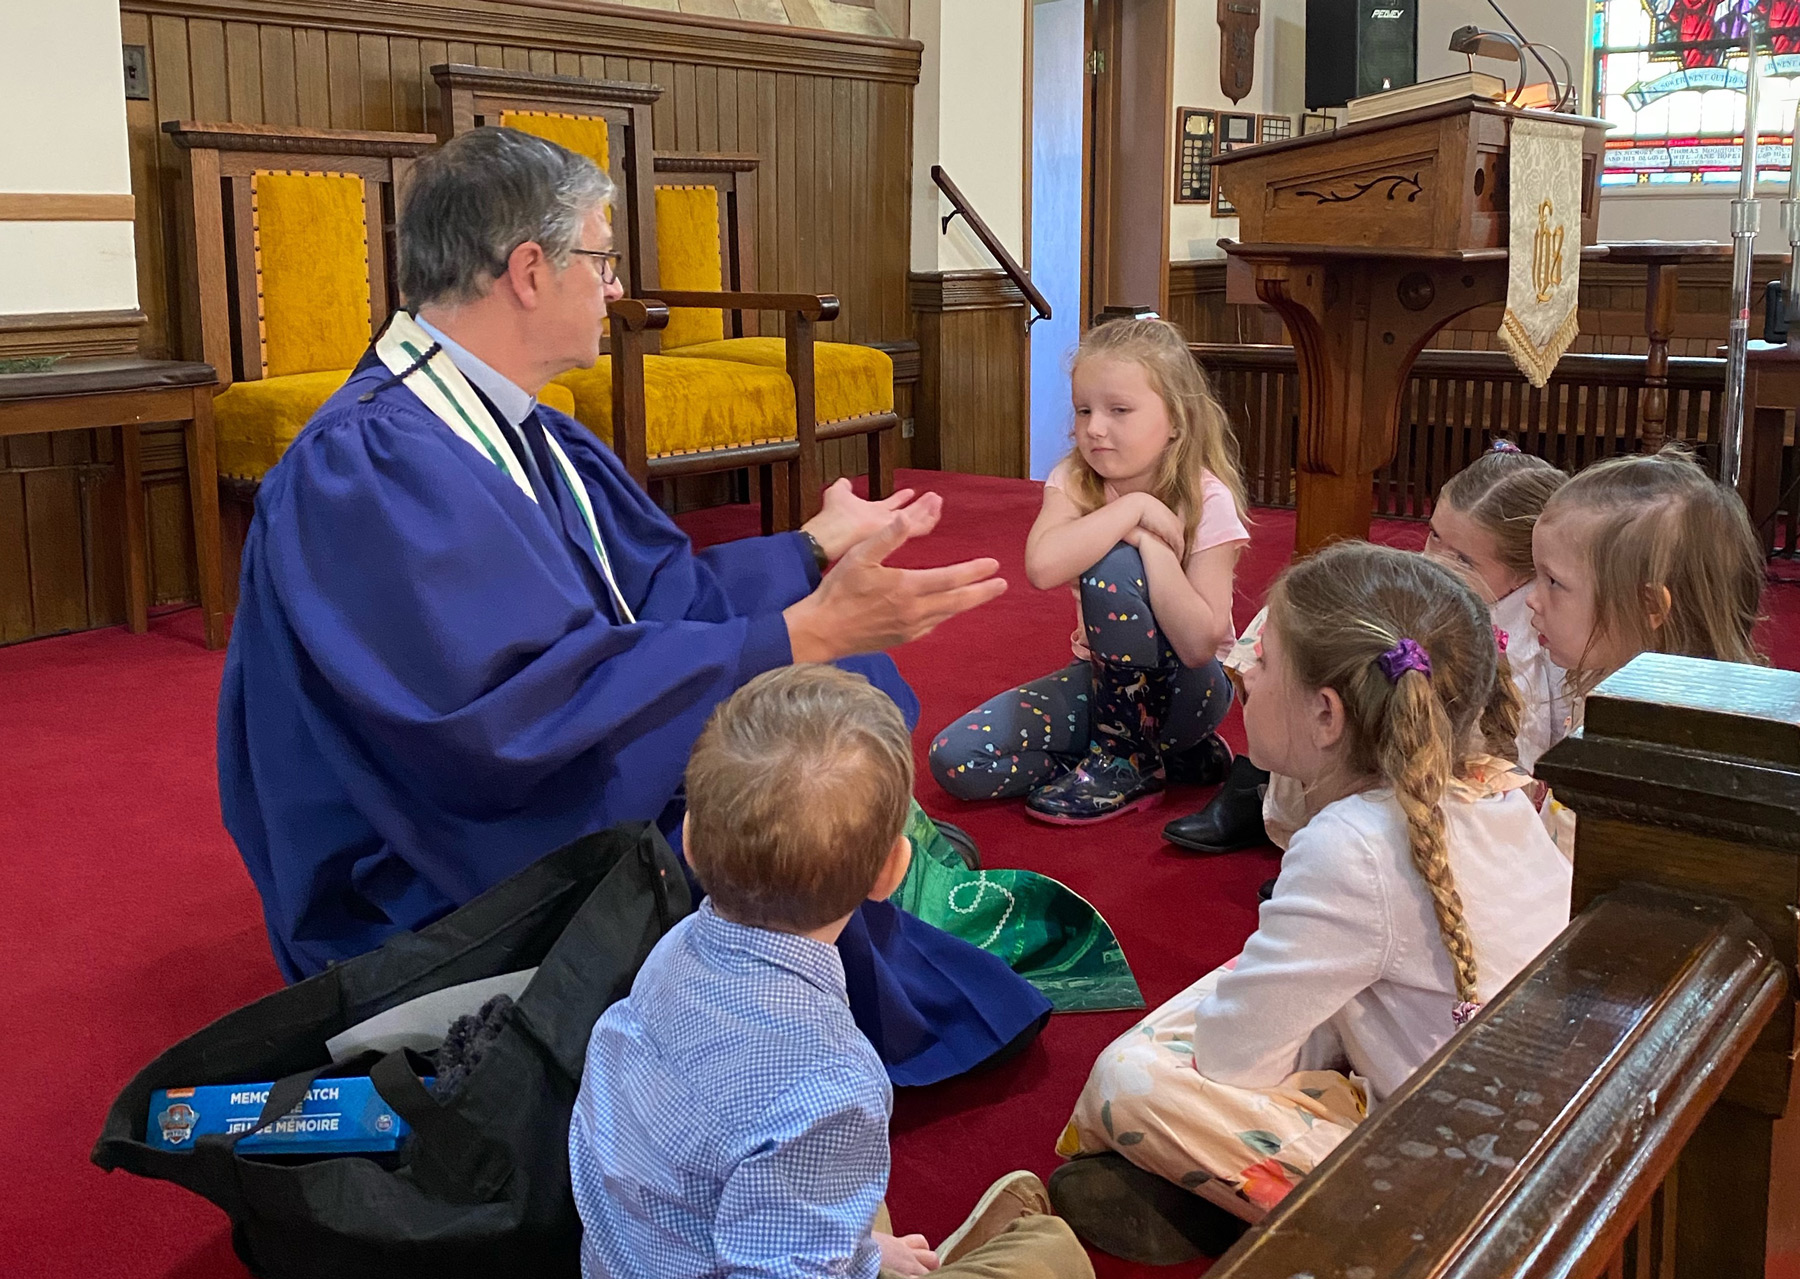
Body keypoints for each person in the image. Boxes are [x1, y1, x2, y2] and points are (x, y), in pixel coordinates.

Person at [218, 125, 1052, 1086]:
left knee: (833, 693)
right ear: (530, 270)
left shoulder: (515, 428)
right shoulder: (368, 469)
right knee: (785, 795)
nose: (617, 290)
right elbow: (495, 730)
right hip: (436, 858)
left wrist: (808, 551)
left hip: (541, 765)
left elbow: (654, 596)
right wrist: (799, 630)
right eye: (602, 260)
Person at [1047, 544, 1571, 1264]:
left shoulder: (1353, 841)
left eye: (1263, 660)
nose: (1243, 668)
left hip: (1468, 1195)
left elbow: (1234, 1058)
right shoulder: (1493, 783)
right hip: (1546, 1132)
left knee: (1128, 1078)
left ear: (1327, 714)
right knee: (1272, 992)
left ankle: (1281, 1217)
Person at [570, 665, 1093, 1279]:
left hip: (632, 1244)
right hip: (729, 1248)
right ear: (893, 873)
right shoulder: (833, 1083)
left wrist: (866, 1258)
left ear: (688, 840)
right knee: (1054, 1254)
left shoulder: (676, 946)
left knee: (857, 1201)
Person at [1164, 441, 1570, 859]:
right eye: (1434, 536)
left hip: (1437, 765)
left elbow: (1517, 740)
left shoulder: (1532, 637)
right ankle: (1257, 782)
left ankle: (1350, 842)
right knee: (1302, 629)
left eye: (1463, 559)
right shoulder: (1433, 586)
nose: (1436, 561)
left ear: (1525, 571)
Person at [928, 318, 1248, 824]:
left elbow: (1199, 645)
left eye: (1119, 410)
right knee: (956, 760)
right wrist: (1132, 512)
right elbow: (1042, 566)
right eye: (1084, 410)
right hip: (1106, 688)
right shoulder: (1075, 481)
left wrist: (1149, 547)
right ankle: (1146, 756)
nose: (1094, 427)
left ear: (1177, 421)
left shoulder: (1208, 498)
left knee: (1112, 562)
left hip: (1194, 691)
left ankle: (1132, 761)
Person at [1527, 447, 1765, 854]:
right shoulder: (1611, 692)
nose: (1532, 599)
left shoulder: (1646, 752)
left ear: (1649, 606)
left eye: (1553, 582)